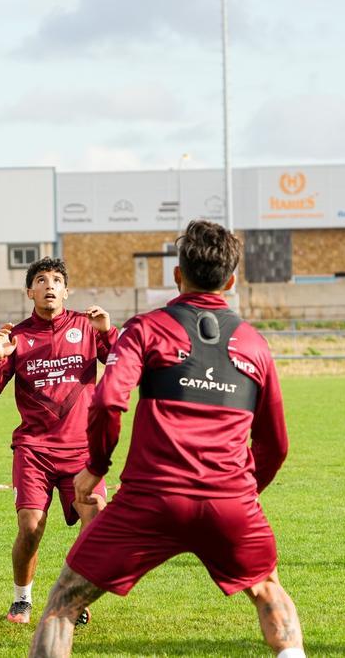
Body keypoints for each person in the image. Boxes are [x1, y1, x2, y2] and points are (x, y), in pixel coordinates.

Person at [29, 220, 305, 658]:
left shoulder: (146, 329)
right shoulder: (255, 344)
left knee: (62, 606)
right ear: (231, 281)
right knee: (269, 590)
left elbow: (106, 403)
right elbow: (276, 446)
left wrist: (96, 467)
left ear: (178, 275)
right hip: (230, 502)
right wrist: (242, 491)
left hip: (150, 500)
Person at [0, 257, 115, 625]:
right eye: (41, 280)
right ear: (29, 292)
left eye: (56, 280)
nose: (49, 285)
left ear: (66, 290)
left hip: (82, 449)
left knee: (96, 518)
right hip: (34, 450)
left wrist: (107, 332)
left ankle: (75, 595)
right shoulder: (17, 336)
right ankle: (22, 600)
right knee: (31, 527)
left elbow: (122, 364)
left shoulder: (86, 327)